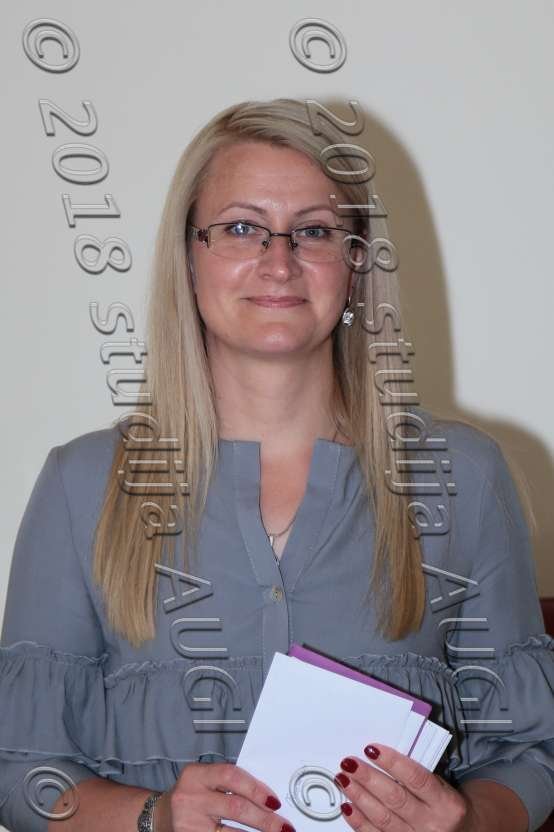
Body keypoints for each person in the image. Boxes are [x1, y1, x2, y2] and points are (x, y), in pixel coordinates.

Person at [0, 98, 552, 832]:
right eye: (240, 228)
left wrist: (467, 821)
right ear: (187, 258)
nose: (279, 261)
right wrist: (152, 818)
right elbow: (22, 773)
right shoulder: (83, 487)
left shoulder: (460, 478)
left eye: (314, 231)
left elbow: (531, 755)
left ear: (356, 265)